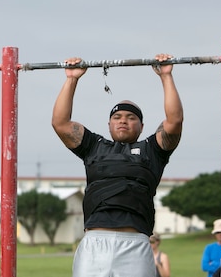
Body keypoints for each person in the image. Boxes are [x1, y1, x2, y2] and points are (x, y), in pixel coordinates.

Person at [52, 53, 183, 277]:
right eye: (118, 116)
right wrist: (72, 79)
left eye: (131, 117)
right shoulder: (94, 146)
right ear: (109, 124)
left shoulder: (152, 150)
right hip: (95, 243)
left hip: (135, 242)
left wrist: (166, 76)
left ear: (141, 126)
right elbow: (60, 123)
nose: (123, 120)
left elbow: (174, 122)